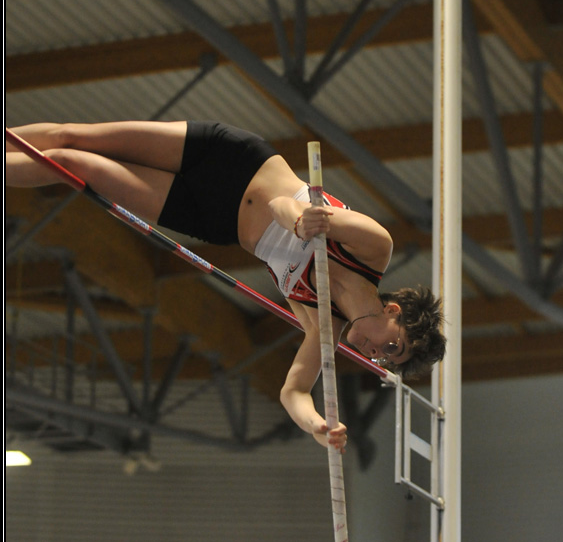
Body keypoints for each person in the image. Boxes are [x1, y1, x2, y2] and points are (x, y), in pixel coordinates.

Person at [6, 120, 446, 452]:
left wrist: (315, 424)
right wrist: (300, 221)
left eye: (385, 359)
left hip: (210, 217)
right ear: (394, 312)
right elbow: (282, 204)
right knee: (72, 137)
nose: (374, 354)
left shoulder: (321, 325)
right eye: (392, 346)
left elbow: (293, 391)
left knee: (72, 165)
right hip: (234, 161)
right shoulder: (374, 249)